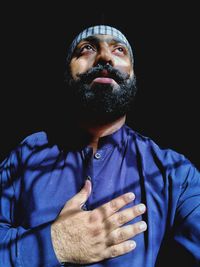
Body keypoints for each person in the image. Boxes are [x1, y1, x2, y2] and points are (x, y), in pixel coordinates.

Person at [0, 25, 199, 267]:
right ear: (67, 71)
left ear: (133, 75)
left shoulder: (175, 172)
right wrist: (56, 243)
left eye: (119, 49)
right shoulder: (26, 154)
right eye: (87, 48)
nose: (105, 56)